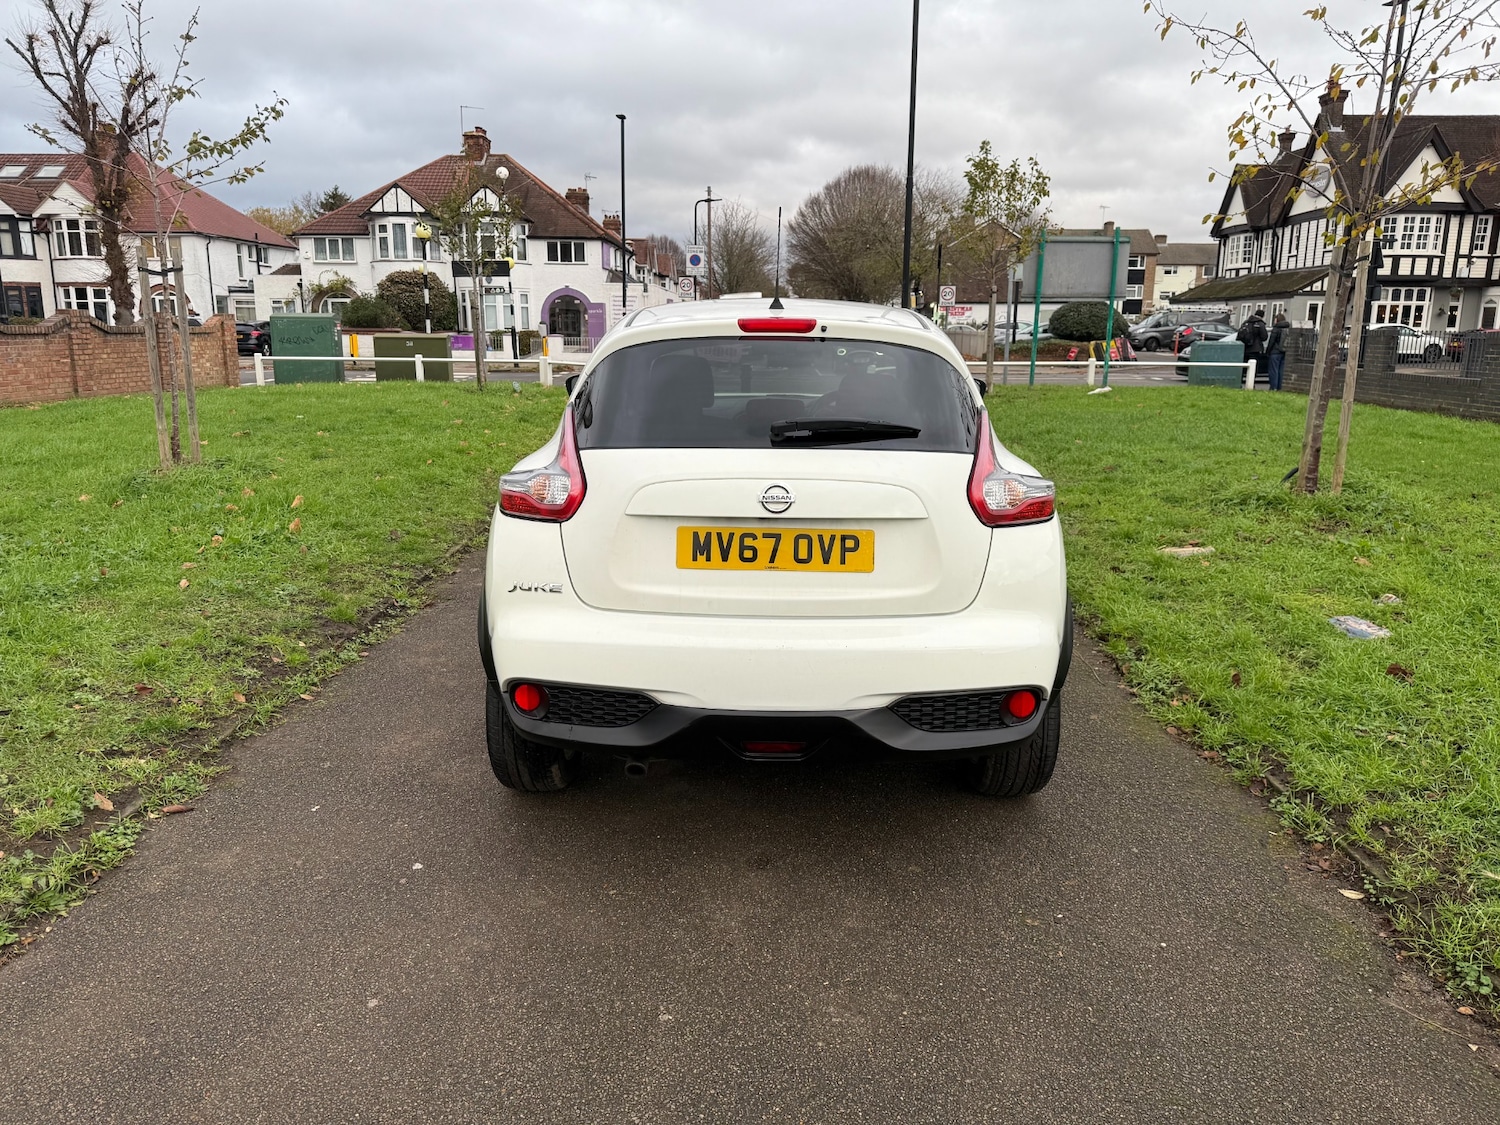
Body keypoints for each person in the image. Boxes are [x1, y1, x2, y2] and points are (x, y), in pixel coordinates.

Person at [1237, 310, 1269, 376]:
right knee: (1253, 368)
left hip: (1245, 348)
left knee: (1244, 367)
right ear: (1262, 316)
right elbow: (1264, 337)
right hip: (1255, 349)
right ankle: (1251, 383)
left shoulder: (1246, 322)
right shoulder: (1260, 324)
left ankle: (1242, 382)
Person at [1266, 312, 1289, 391]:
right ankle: (1279, 387)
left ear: (1277, 320)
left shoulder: (1276, 328)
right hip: (1284, 351)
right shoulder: (1288, 328)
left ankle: (1273, 387)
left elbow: (1271, 341)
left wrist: (1268, 352)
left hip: (1275, 352)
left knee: (1273, 370)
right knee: (1281, 370)